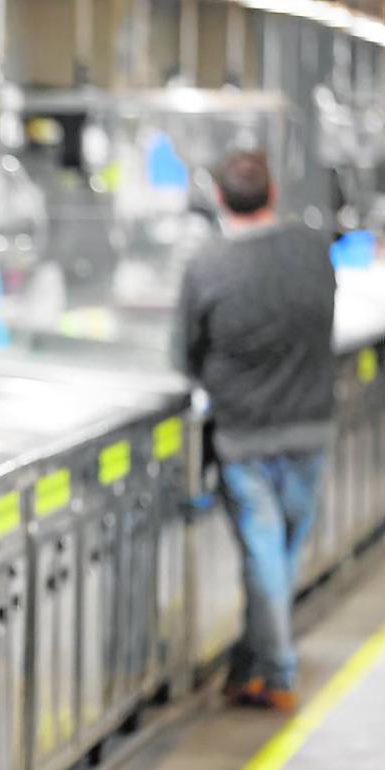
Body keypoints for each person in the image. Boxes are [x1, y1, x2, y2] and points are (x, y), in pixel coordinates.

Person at [175, 150, 335, 712]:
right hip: (311, 426)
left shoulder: (207, 266)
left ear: (219, 198)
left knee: (266, 556)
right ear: (273, 195)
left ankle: (277, 670)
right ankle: (251, 666)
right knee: (279, 555)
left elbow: (186, 355)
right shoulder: (313, 250)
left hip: (243, 435)